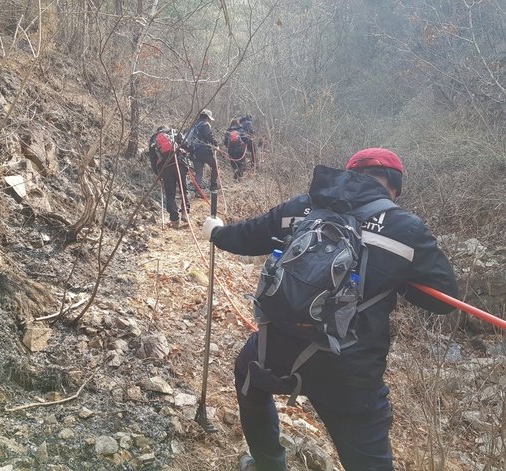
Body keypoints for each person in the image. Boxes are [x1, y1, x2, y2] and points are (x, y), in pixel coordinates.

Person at [201, 148, 458, 471]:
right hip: (351, 373)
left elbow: (248, 237)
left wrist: (216, 232)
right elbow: (444, 300)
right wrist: (400, 279)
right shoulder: (406, 229)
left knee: (247, 373)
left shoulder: (304, 206)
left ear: (348, 173)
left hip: (277, 354)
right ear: (394, 187)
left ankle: (267, 463)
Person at [147, 126, 190, 228]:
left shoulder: (154, 140)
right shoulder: (174, 132)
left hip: (166, 167)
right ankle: (185, 212)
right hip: (180, 163)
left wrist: (158, 174)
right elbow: (187, 145)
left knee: (170, 194)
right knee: (183, 189)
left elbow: (153, 160)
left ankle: (174, 219)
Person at [188, 109, 219, 195]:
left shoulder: (194, 124)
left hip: (193, 151)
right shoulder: (205, 124)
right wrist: (216, 144)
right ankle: (213, 186)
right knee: (215, 165)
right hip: (203, 151)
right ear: (207, 117)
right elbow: (208, 136)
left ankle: (198, 191)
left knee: (199, 172)